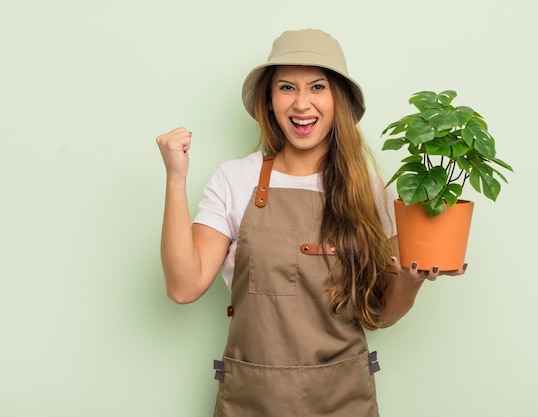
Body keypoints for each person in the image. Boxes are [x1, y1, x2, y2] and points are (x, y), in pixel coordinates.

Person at [156, 28, 466, 417]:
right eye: (287, 87)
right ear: (269, 101)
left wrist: (411, 279)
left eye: (317, 87)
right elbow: (184, 287)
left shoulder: (370, 191)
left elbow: (381, 314)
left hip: (343, 400)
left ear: (338, 100)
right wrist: (175, 178)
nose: (302, 104)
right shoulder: (234, 181)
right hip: (253, 401)